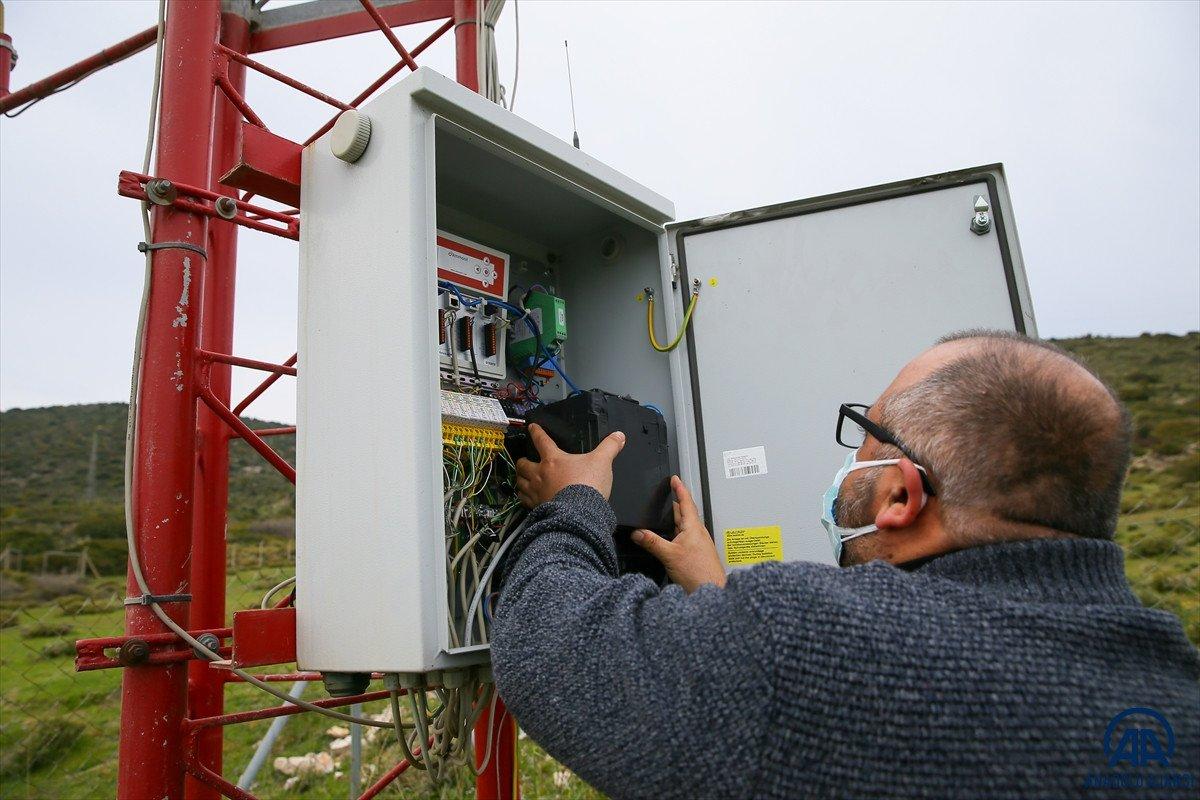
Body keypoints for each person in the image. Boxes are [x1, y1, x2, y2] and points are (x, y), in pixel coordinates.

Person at [491, 330, 1200, 800]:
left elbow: (545, 640)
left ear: (899, 494)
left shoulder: (806, 641)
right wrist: (718, 595)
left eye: (865, 439)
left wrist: (576, 498)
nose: (847, 465)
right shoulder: (1174, 689)